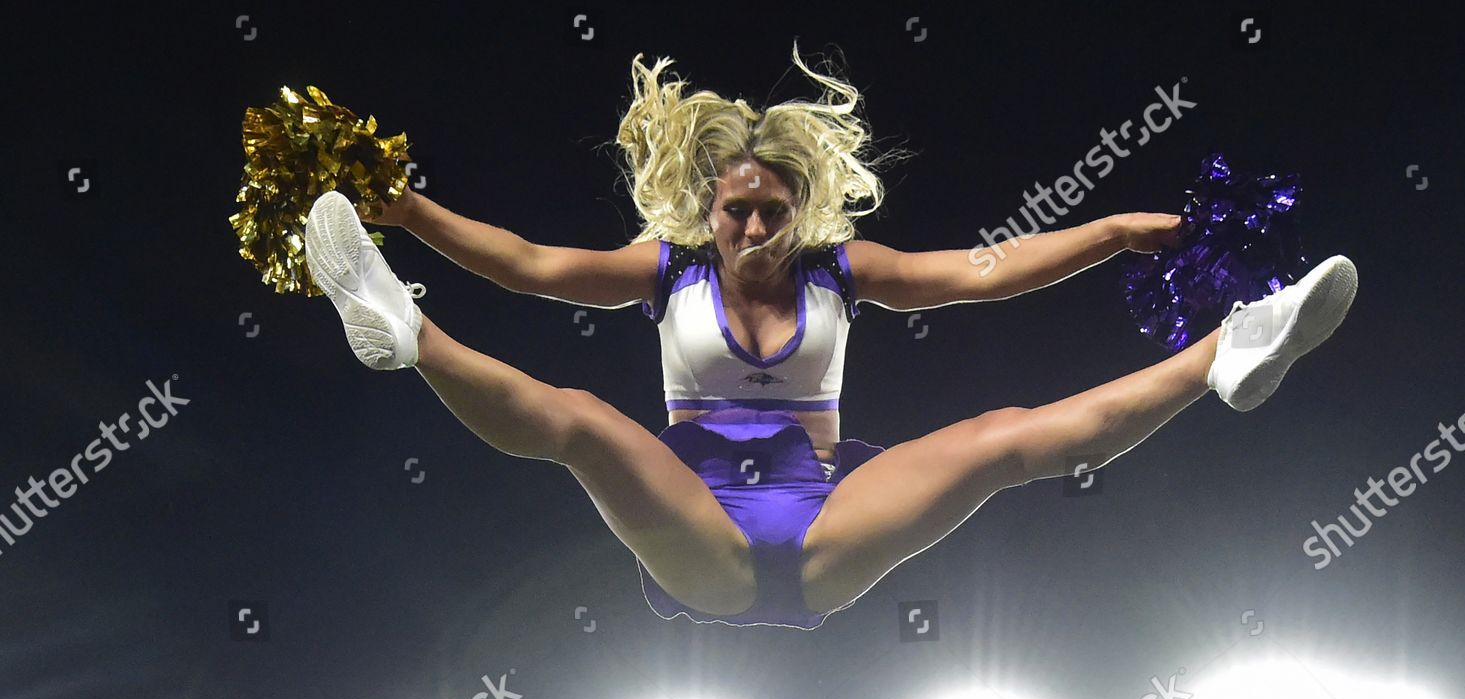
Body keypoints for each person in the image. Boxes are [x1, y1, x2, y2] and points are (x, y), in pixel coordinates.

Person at [301, 44, 1357, 630]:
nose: (753, 230)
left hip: (822, 518)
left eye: (772, 213)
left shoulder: (845, 273)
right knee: (580, 421)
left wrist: (1115, 228)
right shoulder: (665, 269)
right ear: (704, 212)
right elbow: (527, 263)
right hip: (699, 528)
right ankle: (403, 325)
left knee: (1005, 440)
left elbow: (988, 273)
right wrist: (410, 214)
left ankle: (1229, 350)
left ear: (802, 212)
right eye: (734, 213)